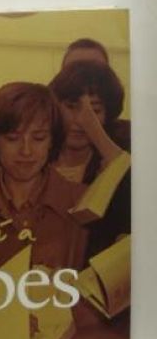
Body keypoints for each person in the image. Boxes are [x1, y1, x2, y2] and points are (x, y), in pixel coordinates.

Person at [0, 82, 87, 271]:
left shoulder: (84, 202)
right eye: (12, 138)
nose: (26, 151)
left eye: (38, 138)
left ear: (52, 141)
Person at [50, 60, 131, 258]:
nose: (81, 120)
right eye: (72, 107)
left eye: (95, 110)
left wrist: (95, 131)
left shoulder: (113, 164)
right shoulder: (38, 157)